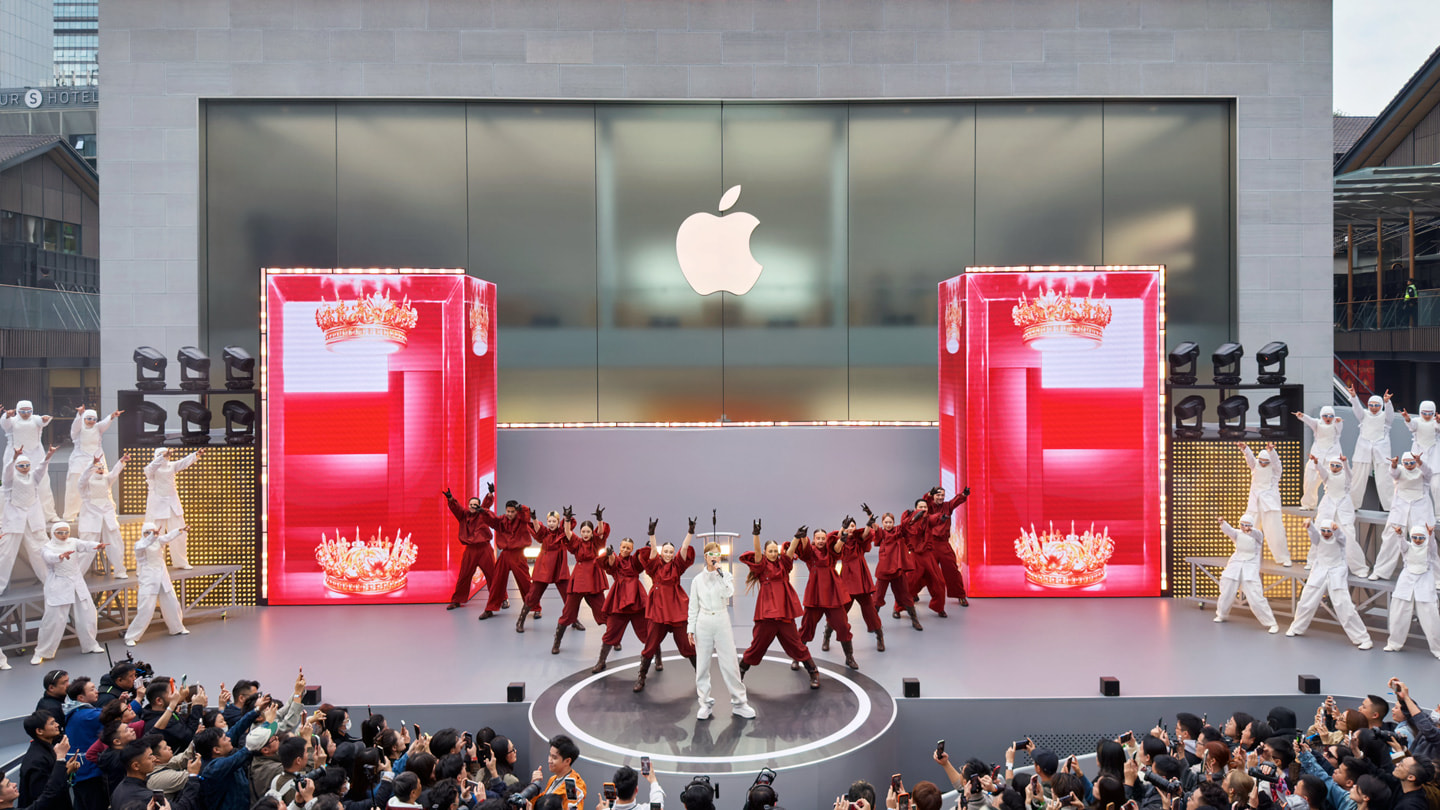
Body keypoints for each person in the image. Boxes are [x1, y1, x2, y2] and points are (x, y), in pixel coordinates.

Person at [738, 520, 820, 690]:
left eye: (776, 550)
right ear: (766, 552)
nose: (774, 553)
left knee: (797, 644)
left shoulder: (784, 564)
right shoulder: (761, 566)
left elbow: (789, 552)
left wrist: (796, 537)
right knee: (756, 646)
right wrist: (756, 535)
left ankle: (813, 671)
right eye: (771, 551)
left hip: (784, 612)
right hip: (767, 613)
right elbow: (758, 552)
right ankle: (740, 672)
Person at [686, 540, 754, 720]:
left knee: (730, 662)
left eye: (717, 554)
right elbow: (693, 606)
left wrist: (721, 574)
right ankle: (705, 703)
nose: (714, 557)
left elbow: (729, 593)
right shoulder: (697, 580)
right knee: (702, 665)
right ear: (705, 556)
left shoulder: (726, 575)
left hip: (722, 619)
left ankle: (740, 703)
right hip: (703, 621)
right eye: (710, 554)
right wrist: (690, 629)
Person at [1285, 520, 1372, 649]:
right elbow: (1314, 534)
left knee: (1343, 605)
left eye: (1328, 531)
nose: (1326, 534)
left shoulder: (1339, 539)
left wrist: (1336, 530)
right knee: (1306, 601)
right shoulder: (1318, 538)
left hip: (1336, 571)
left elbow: (1342, 537)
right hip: (1319, 571)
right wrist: (1310, 526)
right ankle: (1296, 627)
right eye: (1323, 531)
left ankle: (1362, 638)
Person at [633, 518, 697, 693]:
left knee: (686, 644)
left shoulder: (678, 566)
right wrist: (652, 534)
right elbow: (653, 550)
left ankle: (701, 675)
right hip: (658, 610)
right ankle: (642, 676)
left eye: (671, 552)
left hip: (676, 608)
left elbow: (684, 549)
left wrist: (690, 532)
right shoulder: (655, 566)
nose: (669, 554)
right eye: (666, 551)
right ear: (662, 553)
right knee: (650, 644)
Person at [33, 522, 106, 665]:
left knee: (87, 615)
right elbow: (48, 557)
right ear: (53, 533)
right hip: (58, 585)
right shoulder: (47, 547)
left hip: (77, 583)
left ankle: (90, 644)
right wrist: (60, 556)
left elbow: (85, 545)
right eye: (60, 533)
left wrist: (96, 546)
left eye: (66, 532)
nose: (64, 535)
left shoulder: (73, 542)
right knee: (53, 620)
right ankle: (42, 652)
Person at [794, 525, 857, 670]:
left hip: (833, 594)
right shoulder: (810, 553)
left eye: (823, 538)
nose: (821, 541)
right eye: (818, 538)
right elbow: (805, 549)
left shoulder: (831, 551)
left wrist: (843, 534)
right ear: (814, 540)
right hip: (815, 595)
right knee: (806, 627)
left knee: (842, 625)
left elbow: (838, 547)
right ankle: (797, 657)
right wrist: (803, 537)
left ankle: (849, 657)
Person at [3, 446, 59, 589]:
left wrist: (48, 456)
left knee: (41, 551)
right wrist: (14, 457)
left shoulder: (33, 477)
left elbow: (41, 469)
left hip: (33, 520)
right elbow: (7, 472)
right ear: (16, 466)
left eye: (27, 465)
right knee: (5, 555)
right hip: (14, 521)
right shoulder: (10, 480)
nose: (25, 468)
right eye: (21, 465)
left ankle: (52, 583)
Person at [556, 506, 610, 655]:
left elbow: (601, 532)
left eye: (588, 531)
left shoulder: (596, 543)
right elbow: (567, 533)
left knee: (603, 611)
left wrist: (599, 520)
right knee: (568, 613)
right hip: (578, 579)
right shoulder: (577, 543)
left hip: (594, 579)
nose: (585, 534)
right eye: (583, 531)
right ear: (580, 532)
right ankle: (557, 641)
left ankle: (613, 639)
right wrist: (566, 519)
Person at [1372, 453, 1435, 581]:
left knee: (1428, 541)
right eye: (1406, 463)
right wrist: (1394, 465)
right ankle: (1380, 570)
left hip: (1420, 508)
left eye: (1411, 463)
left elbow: (1429, 473)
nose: (1409, 466)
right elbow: (1393, 474)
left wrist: (1420, 462)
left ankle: (1434, 576)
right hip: (1400, 508)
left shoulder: (1422, 471)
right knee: (1390, 539)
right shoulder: (1400, 470)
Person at [125, 523, 190, 645]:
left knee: (172, 603)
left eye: (153, 531)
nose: (150, 535)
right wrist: (152, 536)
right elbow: (144, 545)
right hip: (148, 579)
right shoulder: (139, 544)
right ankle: (131, 637)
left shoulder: (159, 540)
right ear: (143, 533)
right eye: (147, 532)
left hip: (163, 577)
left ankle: (177, 628)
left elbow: (169, 536)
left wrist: (179, 530)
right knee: (146, 609)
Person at [1214, 516, 1279, 634]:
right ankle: (1222, 614)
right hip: (1236, 562)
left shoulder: (1257, 535)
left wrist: (1251, 530)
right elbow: (1229, 530)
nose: (1244, 527)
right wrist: (1223, 523)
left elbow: (1258, 535)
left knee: (1255, 596)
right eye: (1242, 524)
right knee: (1227, 589)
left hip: (1251, 564)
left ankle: (1271, 622)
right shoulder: (1237, 533)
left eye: (1247, 525)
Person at [1382, 525, 1440, 658]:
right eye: (1415, 537)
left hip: (1425, 579)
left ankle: (1437, 648)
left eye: (1421, 538)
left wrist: (1431, 535)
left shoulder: (1428, 549)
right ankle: (1394, 643)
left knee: (1430, 614)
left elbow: (1432, 547)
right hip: (1407, 579)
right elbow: (1401, 545)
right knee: (1399, 612)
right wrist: (1400, 535)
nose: (1418, 540)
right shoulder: (1407, 547)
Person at [593, 535, 647, 674]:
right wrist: (610, 555)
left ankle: (658, 658)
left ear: (632, 549)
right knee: (610, 633)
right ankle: (601, 661)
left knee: (647, 633)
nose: (625, 549)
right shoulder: (616, 560)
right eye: (623, 547)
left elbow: (641, 560)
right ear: (619, 547)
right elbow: (611, 564)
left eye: (628, 548)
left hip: (636, 601)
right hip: (618, 601)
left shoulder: (634, 561)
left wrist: (648, 548)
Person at [830, 515, 884, 652]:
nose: (851, 529)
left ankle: (880, 637)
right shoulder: (841, 541)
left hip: (861, 581)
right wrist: (843, 528)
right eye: (848, 526)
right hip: (847, 581)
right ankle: (827, 635)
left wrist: (869, 523)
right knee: (839, 613)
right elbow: (836, 541)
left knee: (870, 612)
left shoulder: (859, 540)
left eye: (853, 526)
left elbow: (866, 534)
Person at [144, 448, 204, 569]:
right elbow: (150, 468)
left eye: (168, 453)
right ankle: (155, 563)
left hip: (173, 505)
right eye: (165, 454)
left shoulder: (172, 466)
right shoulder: (152, 469)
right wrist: (161, 457)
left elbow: (184, 462)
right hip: (157, 507)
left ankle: (181, 562)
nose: (168, 456)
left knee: (180, 534)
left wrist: (196, 455)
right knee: (156, 536)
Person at [516, 508, 574, 633]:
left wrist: (567, 518)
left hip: (559, 568)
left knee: (568, 596)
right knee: (533, 595)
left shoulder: (561, 533)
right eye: (549, 521)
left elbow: (568, 529)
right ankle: (521, 620)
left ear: (559, 522)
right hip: (544, 567)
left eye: (554, 521)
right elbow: (537, 530)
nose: (551, 523)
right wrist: (534, 518)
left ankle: (574, 620)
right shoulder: (545, 533)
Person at [441, 484, 495, 612]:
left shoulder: (483, 513)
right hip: (470, 550)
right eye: (471, 504)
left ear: (479, 506)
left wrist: (490, 493)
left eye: (475, 504)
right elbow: (456, 508)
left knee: (492, 575)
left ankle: (501, 598)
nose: (472, 507)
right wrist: (450, 498)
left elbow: (487, 504)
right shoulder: (463, 515)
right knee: (464, 576)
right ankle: (457, 600)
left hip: (484, 548)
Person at [1, 402, 59, 523]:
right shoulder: (12, 420)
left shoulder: (35, 419)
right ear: (17, 411)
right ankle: (5, 516)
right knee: (10, 484)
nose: (26, 414)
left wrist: (45, 419)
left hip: (36, 455)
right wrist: (7, 416)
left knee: (42, 483)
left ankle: (49, 514)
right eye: (23, 411)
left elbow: (43, 421)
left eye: (28, 411)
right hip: (15, 454)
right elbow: (5, 424)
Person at [868, 510, 922, 631]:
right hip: (884, 570)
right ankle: (873, 623)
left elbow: (907, 524)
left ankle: (914, 619)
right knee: (877, 597)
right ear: (883, 523)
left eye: (890, 522)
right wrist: (870, 516)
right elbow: (875, 529)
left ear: (893, 522)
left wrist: (915, 517)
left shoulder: (898, 530)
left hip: (898, 569)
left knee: (905, 595)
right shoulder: (881, 532)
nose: (888, 524)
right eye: (886, 522)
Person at [76, 452, 129, 578]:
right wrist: (91, 465)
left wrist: (121, 462)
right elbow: (83, 478)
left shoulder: (106, 479)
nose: (100, 470)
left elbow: (114, 474)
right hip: (91, 516)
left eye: (102, 468)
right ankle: (77, 574)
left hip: (107, 516)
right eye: (97, 467)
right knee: (87, 546)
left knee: (116, 542)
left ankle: (119, 570)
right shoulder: (85, 484)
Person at [1313, 455, 1367, 577]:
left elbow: (1349, 474)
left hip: (1344, 507)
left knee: (1348, 537)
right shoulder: (1327, 475)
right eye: (1332, 465)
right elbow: (1321, 471)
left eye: (1337, 466)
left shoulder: (1346, 476)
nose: (1334, 468)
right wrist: (1316, 463)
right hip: (1328, 505)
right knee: (1319, 532)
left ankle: (1359, 568)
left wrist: (1345, 462)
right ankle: (1313, 562)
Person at [64, 408, 120, 523]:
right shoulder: (77, 431)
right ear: (84, 419)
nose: (91, 421)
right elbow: (76, 425)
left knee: (104, 484)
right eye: (89, 418)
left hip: (97, 458)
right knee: (74, 485)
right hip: (79, 459)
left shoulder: (98, 428)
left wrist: (112, 416)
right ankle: (70, 514)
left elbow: (105, 423)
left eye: (94, 419)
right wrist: (79, 414)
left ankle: (109, 511)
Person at [478, 497, 530, 620]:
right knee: (497, 582)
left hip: (518, 555)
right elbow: (492, 519)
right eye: (508, 511)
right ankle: (490, 609)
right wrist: (483, 511)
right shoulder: (502, 520)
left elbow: (526, 515)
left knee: (525, 582)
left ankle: (535, 607)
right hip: (505, 555)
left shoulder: (522, 520)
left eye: (512, 512)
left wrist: (522, 508)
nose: (510, 514)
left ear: (516, 511)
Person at [1239, 443, 1290, 566]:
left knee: (1276, 532)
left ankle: (1283, 558)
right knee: (1247, 531)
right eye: (1261, 461)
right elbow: (1250, 458)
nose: (1262, 464)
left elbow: (1277, 464)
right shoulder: (1255, 466)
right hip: (1254, 504)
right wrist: (1245, 449)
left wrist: (1272, 451)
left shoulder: (1275, 471)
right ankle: (1244, 554)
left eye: (1265, 462)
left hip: (1270, 505)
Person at [2, 731, 81, 810]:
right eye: (8, 785)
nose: (14, 784)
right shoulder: (36, 761)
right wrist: (60, 757)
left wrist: (67, 773)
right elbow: (49, 795)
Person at [1347, 387, 1395, 510]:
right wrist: (1354, 397)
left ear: (1381, 406)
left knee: (1385, 480)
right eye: (1371, 405)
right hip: (1363, 448)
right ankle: (1353, 504)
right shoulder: (1364, 415)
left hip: (1381, 449)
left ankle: (1390, 506)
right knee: (1357, 478)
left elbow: (1390, 414)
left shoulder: (1385, 418)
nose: (1373, 407)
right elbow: (1356, 409)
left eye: (1376, 405)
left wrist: (1387, 402)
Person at [923, 485, 971, 607]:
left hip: (944, 544)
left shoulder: (947, 506)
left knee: (952, 570)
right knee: (923, 570)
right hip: (930, 544)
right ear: (934, 495)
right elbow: (925, 501)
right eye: (938, 495)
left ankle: (960, 595)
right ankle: (912, 593)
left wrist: (963, 495)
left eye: (942, 495)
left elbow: (956, 501)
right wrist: (928, 495)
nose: (940, 497)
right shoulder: (929, 507)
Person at [1295, 406, 1343, 510]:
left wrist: (1338, 421)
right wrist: (1302, 416)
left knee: (1334, 482)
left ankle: (1335, 505)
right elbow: (1309, 421)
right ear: (1321, 416)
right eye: (1325, 416)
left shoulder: (1336, 424)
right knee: (1310, 480)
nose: (1328, 418)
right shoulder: (1317, 423)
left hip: (1332, 456)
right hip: (1317, 455)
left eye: (1331, 416)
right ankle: (1308, 504)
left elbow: (1339, 425)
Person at [19, 713, 67, 810]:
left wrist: (67, 770)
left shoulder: (46, 749)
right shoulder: (37, 760)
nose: (57, 725)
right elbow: (44, 796)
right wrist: (61, 759)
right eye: (52, 723)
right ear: (40, 731)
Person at [1402, 402, 1440, 505]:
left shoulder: (1435, 422)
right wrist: (1407, 419)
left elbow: (1438, 428)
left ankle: (1438, 514)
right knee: (1417, 486)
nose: (1427, 416)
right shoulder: (1416, 421)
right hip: (1419, 453)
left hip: (1434, 456)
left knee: (1436, 487)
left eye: (1430, 413)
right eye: (1424, 413)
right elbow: (1412, 426)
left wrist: (1438, 421)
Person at [533, 734, 585, 809]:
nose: (549, 760)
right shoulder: (552, 779)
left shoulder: (577, 786)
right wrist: (534, 787)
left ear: (567, 761)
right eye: (550, 755)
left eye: (554, 757)